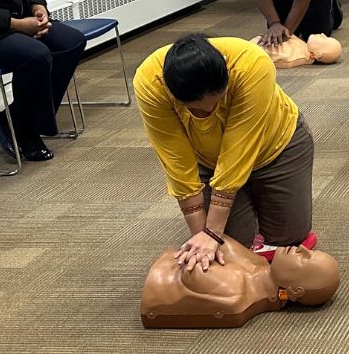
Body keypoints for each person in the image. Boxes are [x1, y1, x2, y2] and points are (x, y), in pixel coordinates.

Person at [134, 34, 316, 269]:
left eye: (217, 101)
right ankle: (244, 204)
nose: (208, 111)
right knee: (229, 247)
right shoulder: (150, 83)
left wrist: (212, 231)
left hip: (276, 148)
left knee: (289, 239)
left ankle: (260, 195)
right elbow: (176, 161)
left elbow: (237, 151)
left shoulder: (252, 64)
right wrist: (205, 237)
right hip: (209, 160)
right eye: (196, 110)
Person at [0, 0, 86, 162]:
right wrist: (16, 24)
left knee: (71, 42)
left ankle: (17, 118)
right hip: (0, 28)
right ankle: (26, 133)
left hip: (20, 18)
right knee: (35, 55)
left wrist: (38, 5)